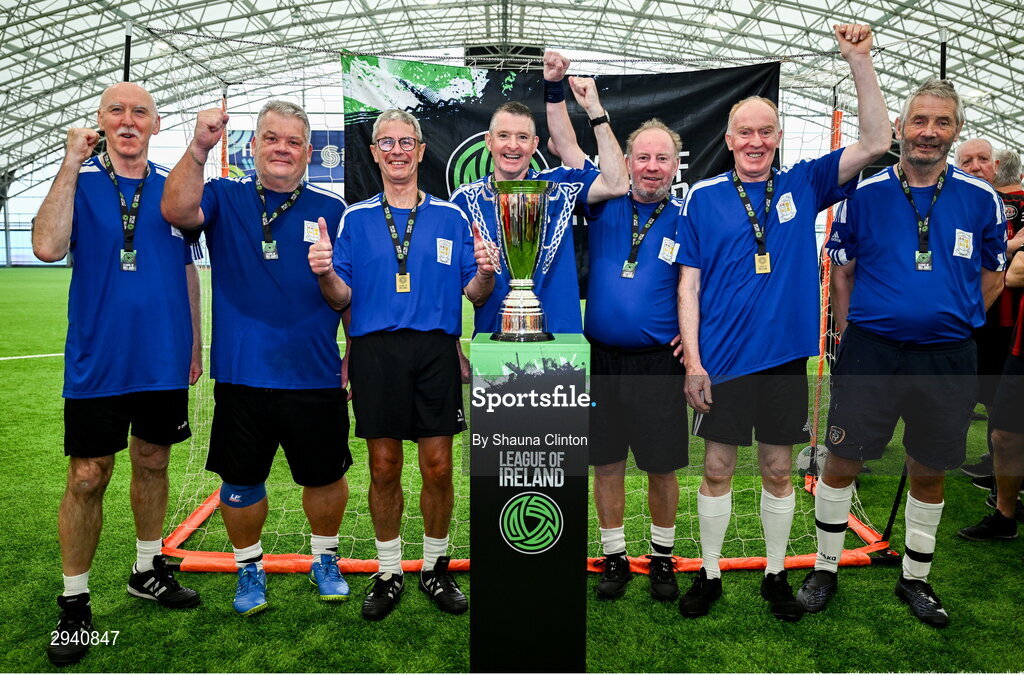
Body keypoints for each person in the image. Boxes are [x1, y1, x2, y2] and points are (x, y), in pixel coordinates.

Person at [675, 24, 889, 621]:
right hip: (720, 361)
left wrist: (859, 62)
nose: (756, 141)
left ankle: (773, 574)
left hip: (784, 361)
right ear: (728, 137)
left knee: (776, 469)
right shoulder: (703, 197)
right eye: (745, 131)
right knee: (717, 468)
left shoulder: (804, 182)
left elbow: (876, 139)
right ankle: (711, 574)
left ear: (778, 137)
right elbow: (687, 284)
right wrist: (694, 361)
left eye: (766, 131)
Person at [805, 79, 1007, 627]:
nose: (929, 132)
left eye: (942, 122)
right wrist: (851, 334)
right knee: (844, 460)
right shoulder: (862, 193)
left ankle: (915, 578)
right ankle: (825, 568)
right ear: (900, 127)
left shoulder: (982, 198)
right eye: (919, 121)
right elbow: (841, 271)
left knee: (930, 468)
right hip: (872, 351)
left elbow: (994, 276)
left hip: (947, 358)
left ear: (956, 130)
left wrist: (959, 318)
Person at [33, 82, 203, 667]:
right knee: (87, 475)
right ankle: (75, 602)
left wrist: (195, 345)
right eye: (116, 111)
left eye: (140, 112)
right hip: (98, 357)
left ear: (157, 123)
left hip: (162, 358)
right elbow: (49, 245)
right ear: (100, 121)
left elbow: (187, 272)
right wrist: (69, 160)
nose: (128, 120)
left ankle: (147, 567)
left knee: (153, 461)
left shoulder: (173, 190)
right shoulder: (77, 183)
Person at [161, 100, 351, 616]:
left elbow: (348, 295)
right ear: (254, 145)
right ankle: (249, 567)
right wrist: (200, 146)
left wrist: (352, 349)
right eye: (272, 138)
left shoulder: (334, 211)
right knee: (241, 481)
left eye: (293, 141)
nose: (282, 148)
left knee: (326, 477)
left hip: (314, 372)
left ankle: (325, 558)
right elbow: (176, 211)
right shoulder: (224, 195)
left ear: (309, 152)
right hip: (243, 373)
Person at [309, 108, 497, 621]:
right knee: (384, 466)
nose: (396, 150)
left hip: (436, 352)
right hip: (376, 352)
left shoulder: (452, 216)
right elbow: (339, 296)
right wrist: (325, 273)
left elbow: (475, 293)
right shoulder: (355, 217)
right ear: (374, 153)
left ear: (420, 149)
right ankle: (389, 570)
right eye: (386, 142)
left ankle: (435, 566)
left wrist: (484, 272)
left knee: (438, 467)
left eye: (405, 141)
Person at [449, 51, 629, 339]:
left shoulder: (558, 187)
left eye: (522, 137)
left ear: (534, 145)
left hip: (560, 341)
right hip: (493, 341)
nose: (513, 146)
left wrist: (595, 111)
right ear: (488, 141)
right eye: (504, 135)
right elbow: (458, 287)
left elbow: (618, 184)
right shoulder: (463, 200)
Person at [582, 118, 687, 603]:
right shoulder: (603, 203)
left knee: (661, 467)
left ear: (675, 166)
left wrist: (695, 340)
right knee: (606, 463)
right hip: (601, 361)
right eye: (642, 157)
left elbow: (701, 288)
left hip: (657, 365)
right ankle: (615, 555)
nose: (651, 167)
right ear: (626, 163)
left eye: (661, 158)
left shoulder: (687, 218)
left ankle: (662, 555)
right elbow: (565, 145)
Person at [959, 145, 1024, 482]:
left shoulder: (1008, 206)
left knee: (999, 398)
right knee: (989, 396)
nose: (975, 167)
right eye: (967, 161)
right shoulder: (969, 204)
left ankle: (1000, 466)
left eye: (983, 160)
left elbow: (1012, 275)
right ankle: (995, 463)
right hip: (982, 317)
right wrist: (1010, 248)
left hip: (1004, 321)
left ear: (997, 168)